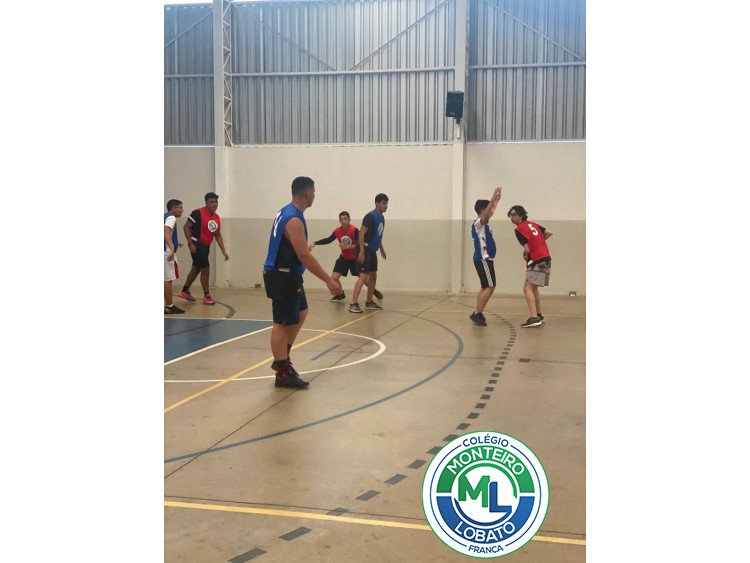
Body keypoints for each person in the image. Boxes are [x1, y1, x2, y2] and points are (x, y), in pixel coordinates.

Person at [263, 176, 342, 389]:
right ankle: (282, 373)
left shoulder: (287, 212)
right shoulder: (294, 220)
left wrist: (303, 249)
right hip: (282, 276)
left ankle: (283, 358)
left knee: (301, 312)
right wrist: (329, 280)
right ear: (308, 194)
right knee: (281, 324)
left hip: (290, 275)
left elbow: (295, 247)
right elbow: (304, 256)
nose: (314, 196)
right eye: (314, 192)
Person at [309, 211, 383, 303]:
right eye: (341, 220)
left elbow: (361, 243)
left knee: (363, 279)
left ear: (349, 220)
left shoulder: (354, 230)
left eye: (345, 219)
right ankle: (340, 294)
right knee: (334, 277)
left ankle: (373, 290)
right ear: (339, 221)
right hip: (344, 258)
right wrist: (315, 243)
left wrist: (348, 247)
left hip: (355, 259)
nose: (343, 221)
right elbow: (328, 240)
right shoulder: (337, 231)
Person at [178, 192, 229, 305]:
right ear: (206, 202)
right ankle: (206, 295)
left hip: (206, 246)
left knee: (196, 268)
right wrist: (190, 243)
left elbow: (217, 235)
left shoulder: (216, 217)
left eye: (216, 202)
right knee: (205, 269)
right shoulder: (197, 213)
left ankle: (184, 291)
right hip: (197, 245)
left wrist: (224, 251)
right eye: (211, 202)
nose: (214, 204)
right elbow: (186, 227)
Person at [507, 204, 553, 328]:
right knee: (534, 288)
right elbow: (549, 233)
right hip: (546, 258)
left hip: (537, 260)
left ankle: (534, 317)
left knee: (527, 288)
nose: (512, 217)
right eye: (510, 215)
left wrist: (526, 252)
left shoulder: (519, 229)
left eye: (514, 215)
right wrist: (538, 242)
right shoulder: (533, 224)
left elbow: (527, 249)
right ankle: (539, 315)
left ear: (521, 215)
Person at [349, 194, 389, 313]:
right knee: (363, 276)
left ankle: (369, 302)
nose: (386, 206)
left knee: (373, 275)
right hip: (365, 249)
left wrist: (381, 248)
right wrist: (361, 251)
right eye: (384, 203)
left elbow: (378, 235)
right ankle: (353, 304)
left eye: (386, 203)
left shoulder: (382, 218)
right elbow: (361, 234)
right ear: (377, 203)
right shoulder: (370, 216)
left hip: (372, 250)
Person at [469, 187, 503, 326]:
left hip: (482, 259)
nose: (491, 210)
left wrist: (496, 201)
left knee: (485, 287)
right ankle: (477, 313)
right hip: (483, 259)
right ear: (483, 210)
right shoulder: (479, 223)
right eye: (488, 208)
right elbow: (487, 214)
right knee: (490, 286)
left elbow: (490, 213)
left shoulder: (483, 224)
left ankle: (478, 312)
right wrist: (493, 198)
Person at [164, 199, 186, 315]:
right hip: (166, 252)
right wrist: (172, 248)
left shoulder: (164, 216)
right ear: (173, 208)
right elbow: (166, 232)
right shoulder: (171, 218)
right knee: (167, 280)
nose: (182, 210)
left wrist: (176, 243)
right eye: (180, 208)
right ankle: (169, 306)